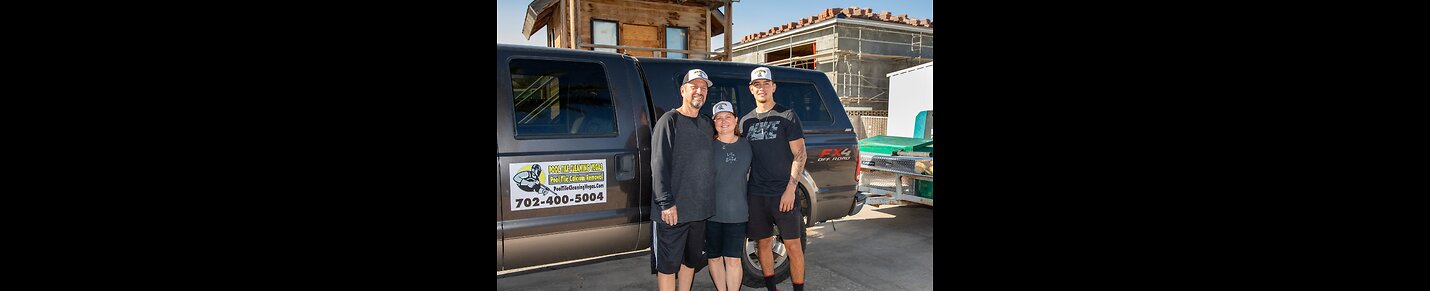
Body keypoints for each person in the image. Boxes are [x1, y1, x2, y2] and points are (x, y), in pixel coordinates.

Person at [741, 67, 808, 291]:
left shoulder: (787, 116)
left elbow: (800, 155)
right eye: (757, 85)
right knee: (763, 243)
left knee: (793, 245)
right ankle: (772, 288)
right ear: (751, 89)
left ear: (773, 87)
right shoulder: (745, 122)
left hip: (783, 193)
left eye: (766, 84)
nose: (762, 88)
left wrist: (791, 189)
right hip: (756, 194)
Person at [651, 68, 718, 291]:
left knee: (691, 262)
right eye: (694, 86)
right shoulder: (669, 121)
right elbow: (659, 164)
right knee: (668, 266)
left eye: (703, 88)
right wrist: (666, 203)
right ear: (683, 90)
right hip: (673, 212)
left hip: (700, 211)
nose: (699, 91)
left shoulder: (708, 124)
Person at [705, 101, 751, 291]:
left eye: (728, 117)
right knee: (714, 258)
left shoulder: (747, 145)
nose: (724, 122)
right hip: (710, 213)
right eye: (719, 118)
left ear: (736, 120)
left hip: (737, 213)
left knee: (733, 259)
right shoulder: (707, 146)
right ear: (714, 122)